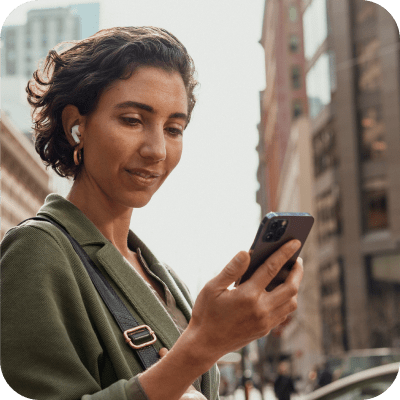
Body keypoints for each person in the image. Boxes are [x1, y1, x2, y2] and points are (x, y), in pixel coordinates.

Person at [0, 26, 304, 400]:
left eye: (174, 128)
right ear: (76, 126)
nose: (157, 150)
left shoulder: (164, 278)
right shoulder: (36, 250)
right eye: (132, 120)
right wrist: (203, 346)